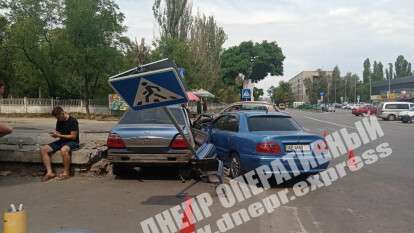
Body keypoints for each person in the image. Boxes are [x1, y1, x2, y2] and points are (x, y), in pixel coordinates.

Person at [40, 106, 80, 181]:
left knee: (64, 150)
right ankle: (49, 172)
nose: (58, 119)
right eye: (56, 118)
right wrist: (55, 133)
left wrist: (59, 135)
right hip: (62, 141)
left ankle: (66, 172)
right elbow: (59, 132)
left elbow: (73, 136)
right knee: (44, 149)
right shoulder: (59, 120)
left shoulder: (72, 121)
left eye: (58, 117)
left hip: (73, 142)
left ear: (62, 113)